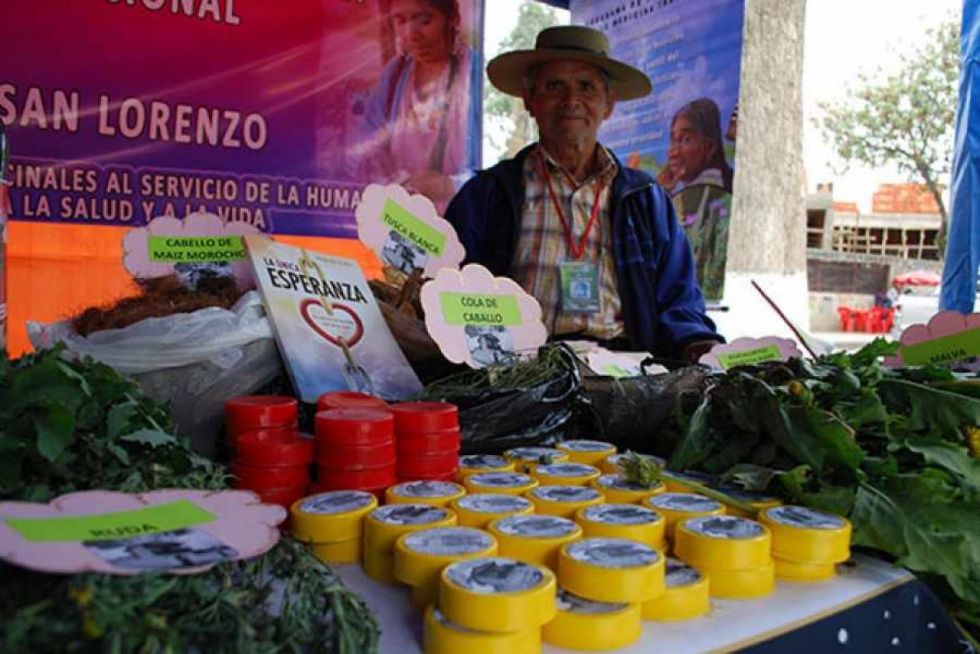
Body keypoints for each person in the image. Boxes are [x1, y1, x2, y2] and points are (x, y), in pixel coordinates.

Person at [445, 26, 722, 362]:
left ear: (608, 105)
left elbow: (679, 302)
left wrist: (698, 346)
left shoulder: (646, 199)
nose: (571, 100)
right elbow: (452, 290)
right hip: (517, 370)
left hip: (624, 369)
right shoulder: (486, 196)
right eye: (554, 86)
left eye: (586, 87)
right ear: (530, 100)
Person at [356, 0, 474, 210]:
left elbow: (493, 166)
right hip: (399, 221)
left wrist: (449, 186)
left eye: (424, 20)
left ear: (452, 19)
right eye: (400, 20)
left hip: (459, 226)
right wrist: (400, 184)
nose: (411, 33)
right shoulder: (396, 74)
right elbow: (368, 145)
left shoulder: (472, 73)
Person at [656, 98, 734, 300]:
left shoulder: (718, 200)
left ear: (709, 147)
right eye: (673, 140)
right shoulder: (676, 197)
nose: (673, 152)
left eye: (685, 140)